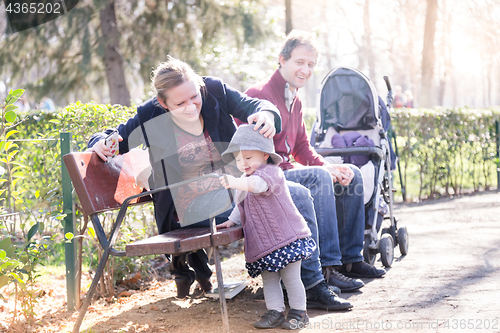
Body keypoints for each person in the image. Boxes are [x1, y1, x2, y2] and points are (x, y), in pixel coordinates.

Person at [88, 56, 281, 298]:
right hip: (188, 207)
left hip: (230, 191)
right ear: (163, 103)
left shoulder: (214, 91)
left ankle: (306, 283)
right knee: (269, 200)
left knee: (293, 193)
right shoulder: (150, 114)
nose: (190, 106)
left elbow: (253, 104)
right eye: (180, 103)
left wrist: (266, 114)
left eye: (194, 97)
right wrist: (99, 144)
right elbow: (115, 137)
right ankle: (286, 283)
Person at [240, 30, 386, 297]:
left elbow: (301, 148)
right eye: (299, 62)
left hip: (288, 172)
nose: (305, 70)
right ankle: (327, 268)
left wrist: (329, 166)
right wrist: (320, 171)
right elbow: (248, 154)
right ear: (281, 60)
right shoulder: (257, 94)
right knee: (318, 178)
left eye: (310, 64)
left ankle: (350, 260)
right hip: (267, 178)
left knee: (349, 173)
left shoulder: (294, 99)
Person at [218, 124, 314, 329]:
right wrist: (232, 220)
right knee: (269, 280)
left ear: (264, 155)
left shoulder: (272, 173)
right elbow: (241, 205)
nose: (243, 163)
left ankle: (299, 312)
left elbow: (258, 186)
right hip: (263, 245)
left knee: (291, 277)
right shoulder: (244, 182)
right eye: (239, 159)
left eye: (248, 157)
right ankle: (275, 311)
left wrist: (235, 182)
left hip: (287, 239)